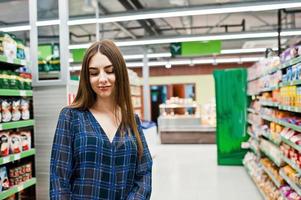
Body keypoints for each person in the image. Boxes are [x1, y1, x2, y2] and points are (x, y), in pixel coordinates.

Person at [49, 39, 152, 200]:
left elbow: (144, 173)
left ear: (120, 73)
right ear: (86, 77)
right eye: (94, 73)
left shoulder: (131, 120)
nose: (102, 79)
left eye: (110, 71)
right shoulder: (71, 117)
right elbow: (59, 180)